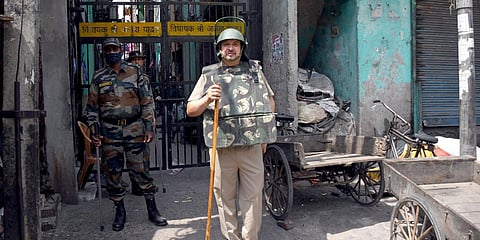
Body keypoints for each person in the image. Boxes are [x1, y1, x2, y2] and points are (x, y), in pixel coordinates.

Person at [186, 28, 277, 240]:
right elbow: (191, 110)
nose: (230, 48)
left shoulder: (255, 71)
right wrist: (207, 98)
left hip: (251, 147)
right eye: (226, 44)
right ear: (219, 48)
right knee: (224, 198)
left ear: (241, 48)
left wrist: (264, 133)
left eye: (235, 44)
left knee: (253, 199)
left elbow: (269, 101)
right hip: (222, 148)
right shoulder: (209, 74)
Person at [85, 38, 167, 231]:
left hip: (134, 129)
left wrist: (149, 126)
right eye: (108, 50)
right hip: (110, 132)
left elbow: (147, 101)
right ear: (104, 53)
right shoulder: (99, 77)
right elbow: (92, 108)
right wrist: (94, 130)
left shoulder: (135, 72)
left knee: (140, 170)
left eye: (115, 49)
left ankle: (152, 209)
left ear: (121, 50)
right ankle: (119, 210)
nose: (112, 52)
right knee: (112, 173)